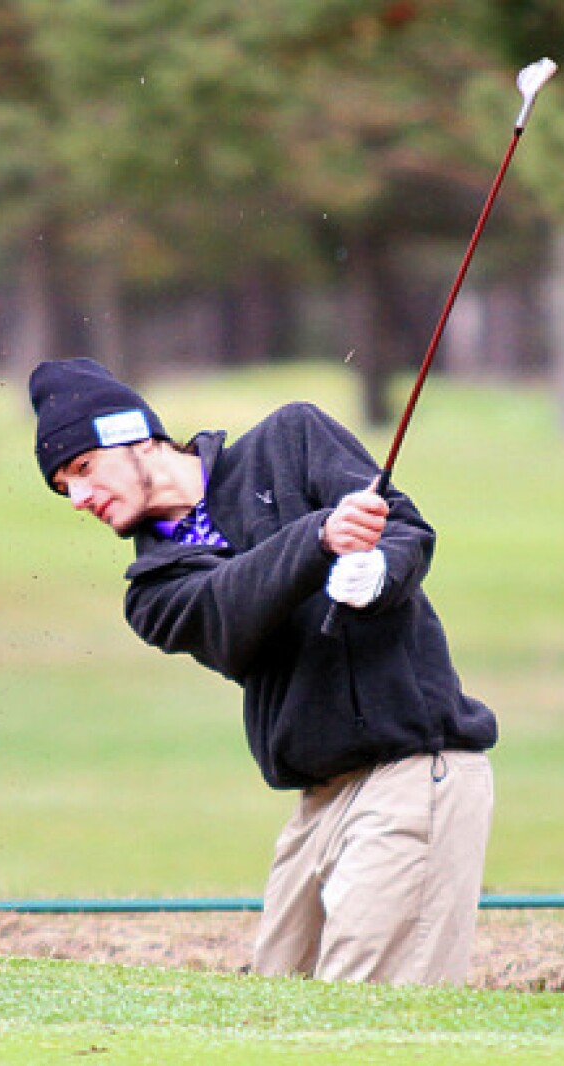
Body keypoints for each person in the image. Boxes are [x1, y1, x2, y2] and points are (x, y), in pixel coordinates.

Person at [28, 357, 497, 986]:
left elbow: (405, 530)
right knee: (276, 1005)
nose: (80, 498)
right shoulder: (155, 590)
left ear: (134, 437)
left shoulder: (292, 439)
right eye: (64, 489)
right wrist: (318, 539)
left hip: (413, 770)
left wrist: (380, 572)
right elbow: (229, 612)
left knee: (365, 1008)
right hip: (318, 800)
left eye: (83, 468)